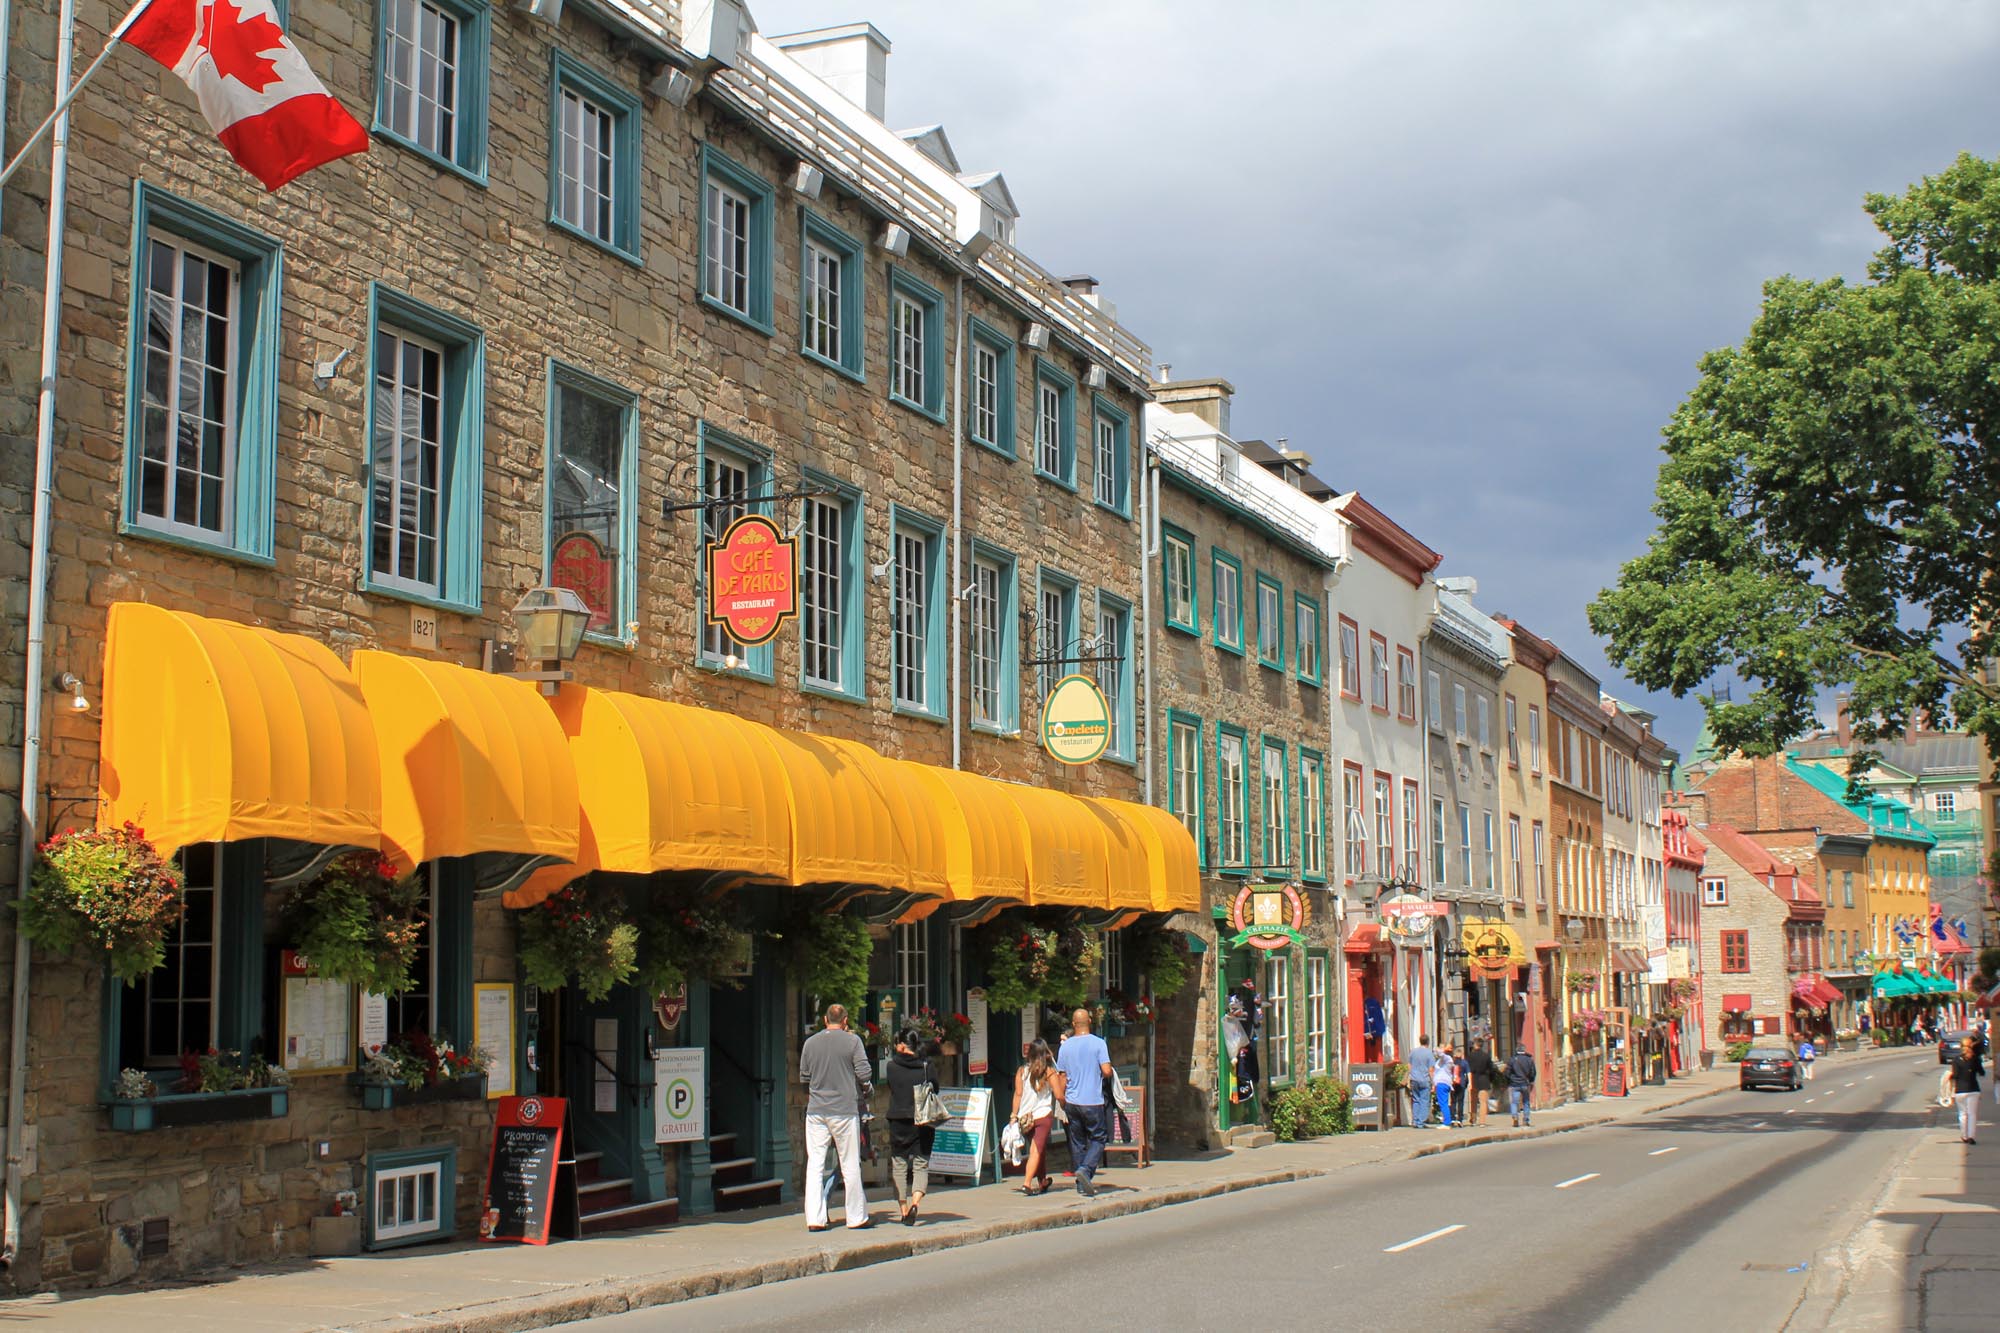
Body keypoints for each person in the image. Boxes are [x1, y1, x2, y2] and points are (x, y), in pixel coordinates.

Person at [800, 1003, 873, 1232]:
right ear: (845, 1020)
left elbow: (804, 1078)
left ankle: (815, 1219)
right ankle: (856, 1217)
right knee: (849, 1163)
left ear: (824, 1019)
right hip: (844, 1110)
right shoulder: (853, 1042)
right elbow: (865, 1074)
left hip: (817, 1111)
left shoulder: (810, 1043)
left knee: (815, 1164)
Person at [1053, 1007, 1113, 1196]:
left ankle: (1081, 1184)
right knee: (1098, 1138)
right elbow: (1106, 1071)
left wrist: (1062, 1099)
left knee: (1077, 1142)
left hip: (1072, 1100)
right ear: (1090, 1022)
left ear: (1073, 1024)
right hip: (1092, 1101)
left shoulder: (1065, 1047)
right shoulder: (1099, 1044)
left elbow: (1061, 1075)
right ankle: (1086, 1170)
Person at [883, 1028, 936, 1225]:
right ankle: (916, 1203)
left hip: (899, 1119)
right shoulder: (926, 1066)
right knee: (921, 1164)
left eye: (897, 1043)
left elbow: (892, 1087)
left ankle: (903, 1209)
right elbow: (935, 1087)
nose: (895, 1047)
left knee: (899, 1164)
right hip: (922, 1120)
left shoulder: (891, 1067)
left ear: (903, 1046)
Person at [1011, 1038, 1058, 1195]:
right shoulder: (1049, 1072)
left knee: (1039, 1148)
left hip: (1026, 1118)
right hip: (1043, 1115)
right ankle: (1027, 1183)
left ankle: (1042, 1180)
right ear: (1045, 1053)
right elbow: (1059, 1094)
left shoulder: (1021, 1071)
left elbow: (1018, 1095)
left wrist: (1014, 1115)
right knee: (1036, 1150)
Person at [1950, 1035, 1984, 1144]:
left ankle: (1964, 1136)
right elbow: (1982, 1073)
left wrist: (1949, 1077)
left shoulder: (1956, 1060)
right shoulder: (1975, 1059)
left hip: (1960, 1090)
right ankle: (1971, 1137)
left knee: (1962, 1114)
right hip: (1974, 1089)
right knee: (1972, 1114)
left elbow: (1955, 1075)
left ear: (1961, 1047)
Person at [1407, 1035, 1438, 1129]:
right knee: (1424, 1101)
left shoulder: (1413, 1052)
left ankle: (1415, 1121)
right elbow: (1431, 1070)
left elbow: (1409, 1065)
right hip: (1425, 1079)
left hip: (1414, 1079)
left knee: (1416, 1100)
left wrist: (1410, 1076)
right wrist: (1433, 1082)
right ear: (1428, 1042)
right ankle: (1420, 1122)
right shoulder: (1429, 1053)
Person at [1507, 1044, 1537, 1127]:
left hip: (1514, 1084)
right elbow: (1533, 1072)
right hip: (1525, 1083)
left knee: (1514, 1102)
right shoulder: (1529, 1060)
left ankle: (1515, 1117)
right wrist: (1531, 1081)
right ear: (1524, 1050)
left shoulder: (1512, 1060)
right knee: (1526, 1102)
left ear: (1517, 1050)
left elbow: (1507, 1072)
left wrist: (1509, 1080)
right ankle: (1526, 1119)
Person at [1464, 1041, 1494, 1126]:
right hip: (1484, 1079)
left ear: (1475, 1045)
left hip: (1473, 1079)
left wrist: (1467, 1081)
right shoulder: (1486, 1056)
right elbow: (1491, 1069)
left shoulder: (1470, 1056)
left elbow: (1468, 1068)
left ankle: (1473, 1119)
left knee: (1473, 1101)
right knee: (1483, 1102)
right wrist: (1490, 1079)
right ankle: (1482, 1122)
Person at [1433, 1043, 1456, 1128]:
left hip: (1442, 1082)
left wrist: (1443, 1049)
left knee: (1443, 1103)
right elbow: (1436, 1053)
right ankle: (1446, 1120)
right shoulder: (1444, 1060)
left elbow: (1438, 1052)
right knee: (1443, 1102)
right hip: (1442, 1082)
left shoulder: (1446, 1058)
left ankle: (1447, 1122)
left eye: (1442, 1047)